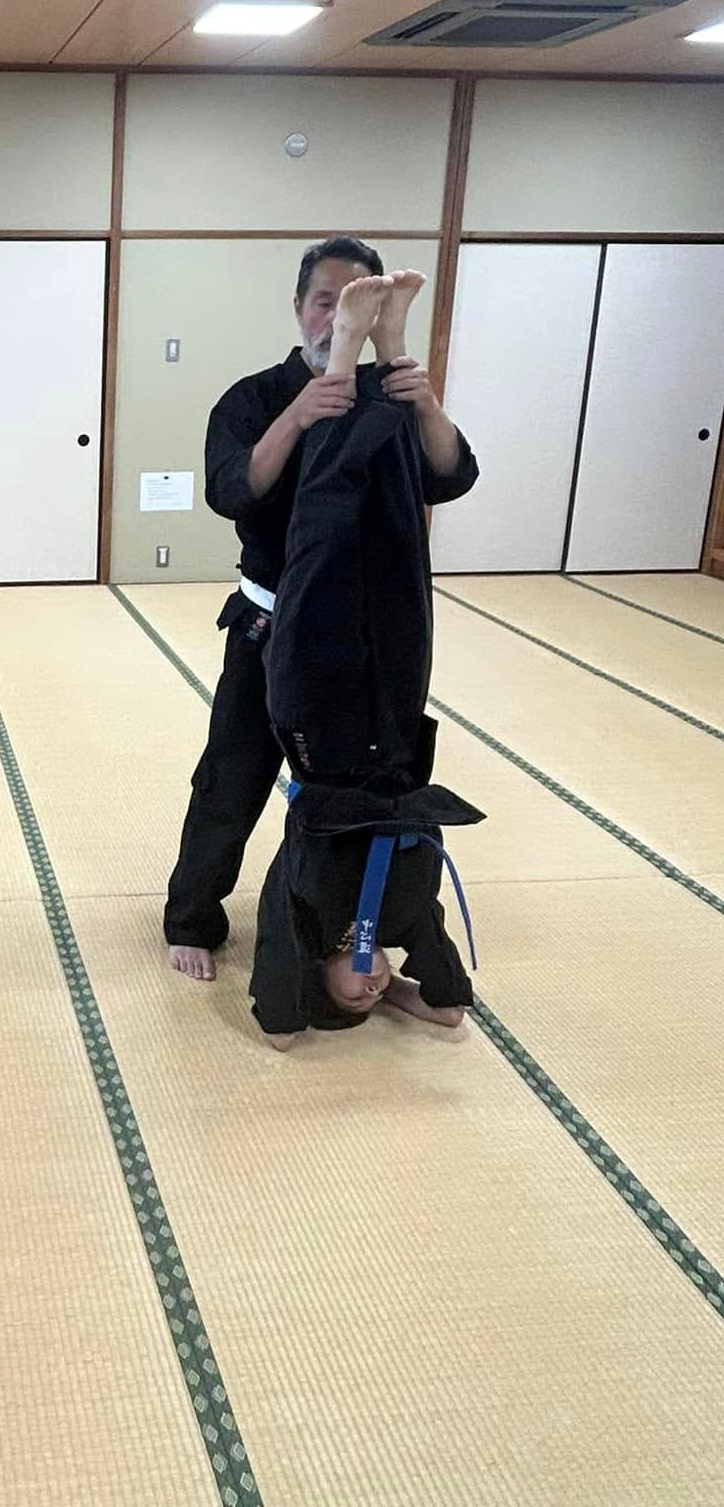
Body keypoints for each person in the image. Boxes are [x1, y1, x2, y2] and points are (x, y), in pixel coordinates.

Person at [164, 237, 480, 983]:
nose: (333, 317)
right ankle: (192, 919)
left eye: (351, 306)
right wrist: (299, 416)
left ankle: (345, 917)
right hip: (269, 624)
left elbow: (449, 476)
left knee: (368, 782)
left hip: (363, 634)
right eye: (324, 302)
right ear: (299, 306)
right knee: (233, 776)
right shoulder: (253, 397)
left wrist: (423, 399)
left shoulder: (387, 396)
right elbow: (232, 490)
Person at [246, 270, 483, 1048]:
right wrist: (404, 992)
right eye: (373, 995)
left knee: (326, 526)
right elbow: (449, 1007)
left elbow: (280, 1023)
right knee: (397, 540)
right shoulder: (407, 917)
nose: (369, 984)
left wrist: (301, 1007)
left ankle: (349, 351)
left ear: (321, 973)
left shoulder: (310, 913)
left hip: (315, 716)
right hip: (395, 724)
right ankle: (394, 348)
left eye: (352, 993)